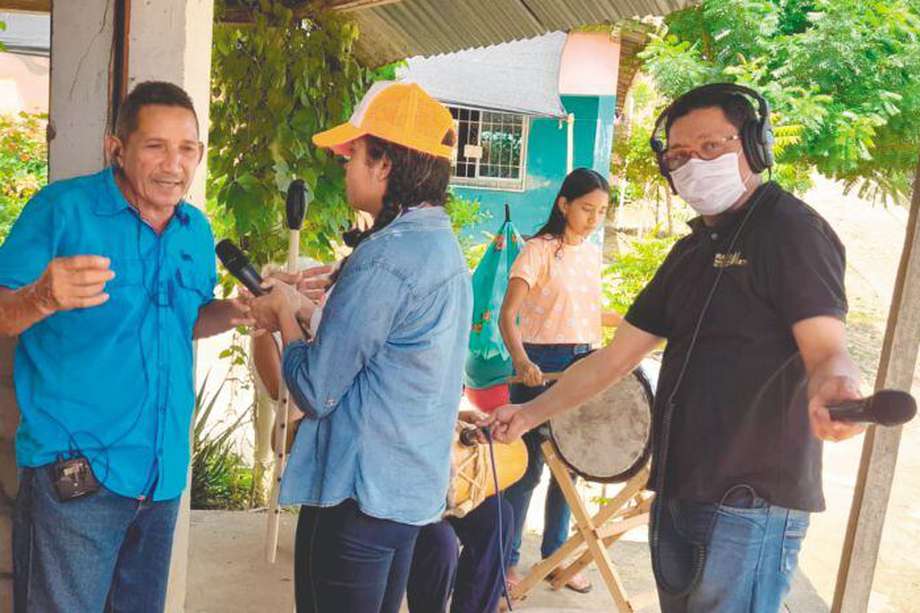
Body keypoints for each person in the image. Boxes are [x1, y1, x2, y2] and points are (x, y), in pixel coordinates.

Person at [487, 83, 864, 613]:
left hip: (751, 504)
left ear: (755, 147)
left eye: (711, 147)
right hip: (681, 490)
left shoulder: (793, 232)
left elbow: (826, 347)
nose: (693, 164)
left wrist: (836, 384)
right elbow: (614, 360)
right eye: (679, 155)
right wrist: (529, 414)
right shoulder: (690, 253)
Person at [0, 81, 251, 613]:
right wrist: (41, 297)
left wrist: (232, 313)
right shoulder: (62, 210)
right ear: (117, 148)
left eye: (187, 149)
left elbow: (184, 321)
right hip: (77, 474)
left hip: (159, 478)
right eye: (155, 146)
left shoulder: (194, 231)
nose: (173, 165)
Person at [248, 81, 472, 613]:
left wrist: (281, 312)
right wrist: (304, 307)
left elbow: (316, 387)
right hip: (403, 495)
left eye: (354, 155)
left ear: (385, 164)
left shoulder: (385, 256)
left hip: (358, 495)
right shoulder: (438, 246)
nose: (344, 167)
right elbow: (384, 345)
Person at [498, 167, 621, 593]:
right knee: (527, 468)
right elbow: (507, 314)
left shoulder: (589, 253)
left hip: (582, 361)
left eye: (601, 211)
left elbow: (580, 313)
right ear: (564, 204)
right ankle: (504, 563)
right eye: (587, 208)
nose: (593, 218)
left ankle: (555, 557)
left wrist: (624, 325)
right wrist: (522, 359)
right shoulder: (538, 250)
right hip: (540, 363)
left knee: (569, 465)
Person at [405, 409, 514, 613]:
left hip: (444, 478)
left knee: (498, 516)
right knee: (440, 541)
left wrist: (460, 417)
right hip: (403, 484)